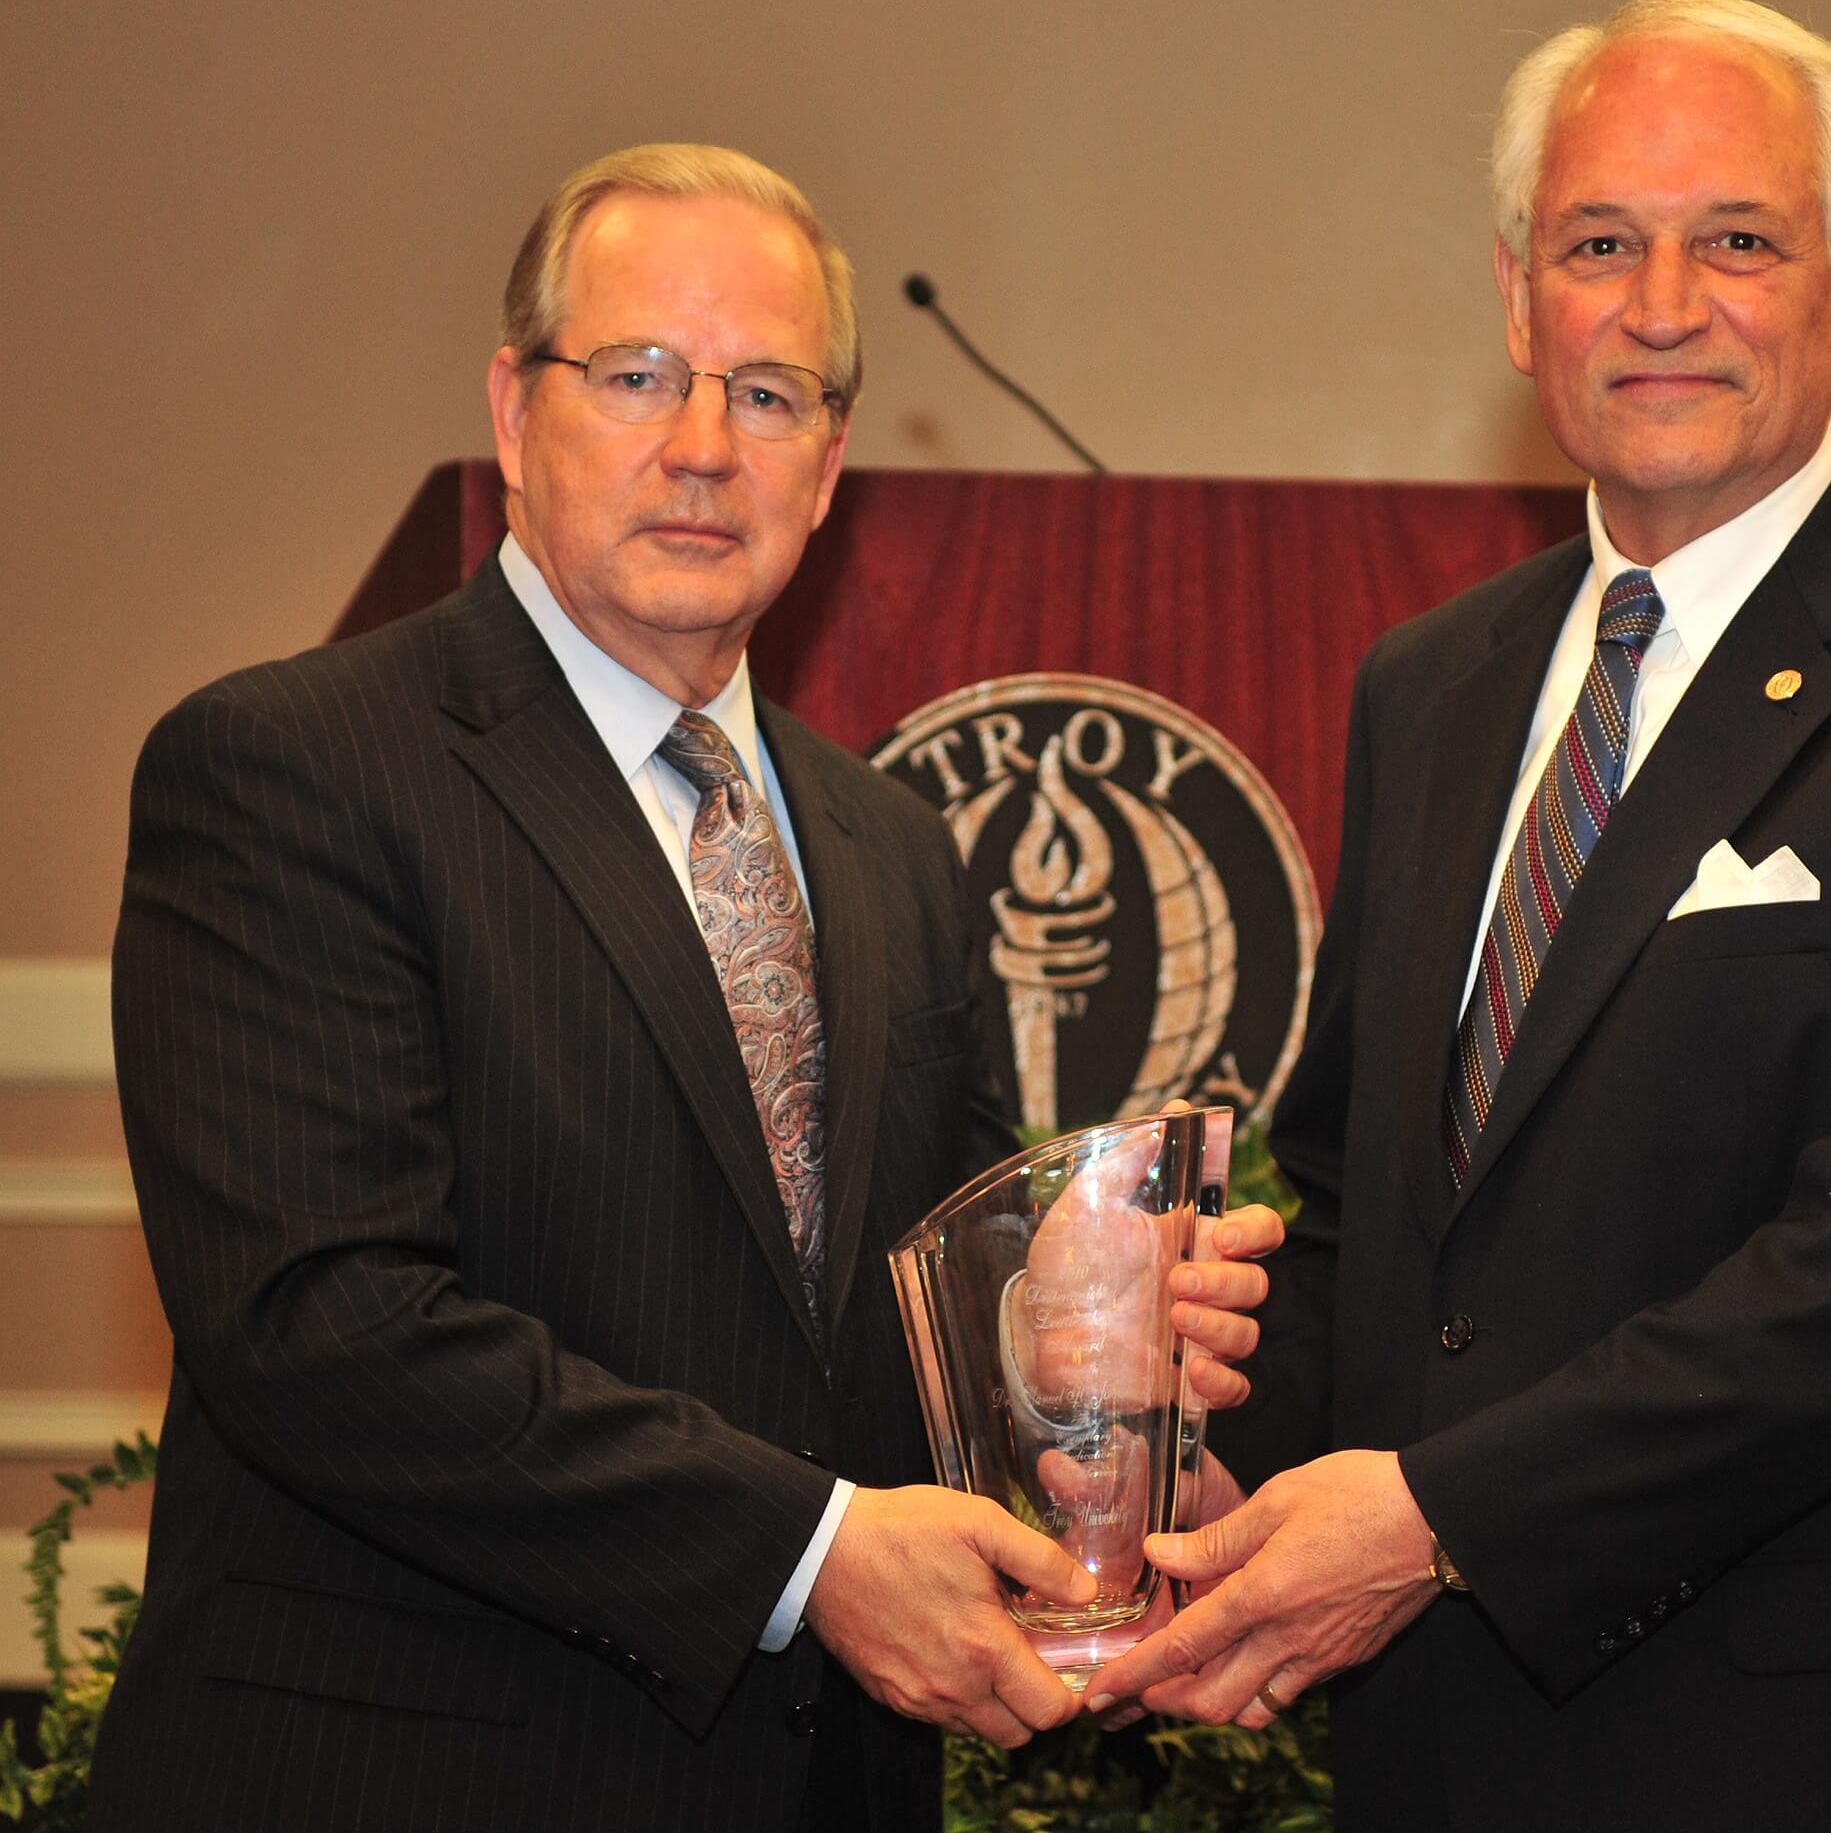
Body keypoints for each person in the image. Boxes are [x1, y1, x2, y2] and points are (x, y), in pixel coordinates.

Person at [1095, 0, 1831, 1830]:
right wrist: (1214, 1436)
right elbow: (1379, 1206)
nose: (1664, 302)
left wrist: (1441, 1519)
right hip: (1448, 1749)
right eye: (1602, 243)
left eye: (1738, 241)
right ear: (1522, 298)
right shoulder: (1431, 683)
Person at [91, 143, 1277, 1831]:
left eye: (771, 393)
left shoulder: (887, 842)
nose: (706, 445)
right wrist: (811, 1557)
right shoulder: (293, 768)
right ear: (516, 411)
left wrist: (1056, 1350)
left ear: (833, 456)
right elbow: (324, 1329)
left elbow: (875, 1317)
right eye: (639, 374)